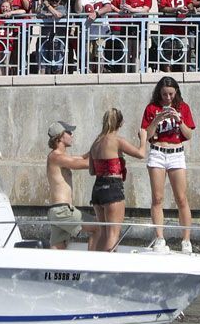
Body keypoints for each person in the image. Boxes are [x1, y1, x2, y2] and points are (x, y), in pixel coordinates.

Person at [142, 75, 196, 253]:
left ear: (176, 93)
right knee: (157, 198)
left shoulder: (183, 107)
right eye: (164, 94)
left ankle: (186, 240)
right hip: (157, 153)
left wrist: (179, 120)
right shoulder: (152, 108)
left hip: (176, 154)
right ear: (159, 93)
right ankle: (159, 237)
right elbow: (147, 135)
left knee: (181, 198)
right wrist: (156, 120)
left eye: (171, 94)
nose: (168, 98)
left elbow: (188, 135)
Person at [86, 107, 145, 252]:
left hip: (98, 189)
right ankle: (107, 267)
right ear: (121, 123)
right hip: (113, 188)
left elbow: (92, 171)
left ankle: (97, 266)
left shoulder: (96, 143)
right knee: (113, 233)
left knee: (103, 232)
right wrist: (143, 138)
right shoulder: (117, 140)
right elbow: (140, 154)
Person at [44, 120, 88, 250]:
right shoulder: (56, 157)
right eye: (69, 132)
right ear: (61, 136)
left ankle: (50, 270)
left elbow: (82, 157)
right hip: (62, 211)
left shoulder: (60, 156)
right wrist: (108, 159)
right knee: (97, 227)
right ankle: (93, 266)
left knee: (58, 248)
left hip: (58, 210)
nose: (72, 135)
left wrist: (100, 148)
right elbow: (82, 164)